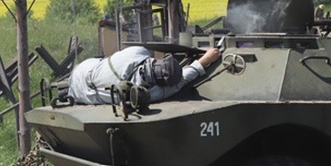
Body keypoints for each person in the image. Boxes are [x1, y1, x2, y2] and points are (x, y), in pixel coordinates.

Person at [67, 45, 221, 105]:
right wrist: (208, 58)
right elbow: (190, 74)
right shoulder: (156, 93)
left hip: (81, 71)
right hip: (82, 96)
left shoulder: (137, 52)